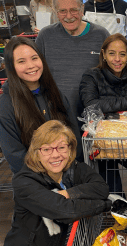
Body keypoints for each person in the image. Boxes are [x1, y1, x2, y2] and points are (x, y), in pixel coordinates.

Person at [0, 120, 110, 246]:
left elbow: (101, 187)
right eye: (47, 149)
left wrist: (69, 193)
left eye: (61, 147)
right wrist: (105, 205)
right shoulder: (24, 182)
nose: (56, 155)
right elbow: (66, 211)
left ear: (70, 148)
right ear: (37, 152)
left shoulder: (74, 168)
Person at [79, 33, 127, 199]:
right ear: (103, 55)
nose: (117, 59)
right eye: (112, 53)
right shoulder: (91, 76)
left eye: (122, 54)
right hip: (101, 144)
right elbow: (91, 105)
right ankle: (121, 216)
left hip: (125, 141)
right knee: (114, 191)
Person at [0, 36, 82, 174]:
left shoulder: (55, 93)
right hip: (33, 181)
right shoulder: (6, 105)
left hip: (66, 173)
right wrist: (48, 177)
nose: (31, 65)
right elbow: (15, 155)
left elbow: (72, 134)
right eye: (21, 61)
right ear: (11, 67)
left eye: (34, 58)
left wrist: (70, 167)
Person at [36, 0, 109, 120]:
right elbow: (35, 73)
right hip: (57, 115)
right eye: (62, 11)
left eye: (74, 10)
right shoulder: (44, 37)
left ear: (82, 9)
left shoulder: (101, 35)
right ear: (55, 12)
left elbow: (113, 74)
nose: (69, 16)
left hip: (95, 115)